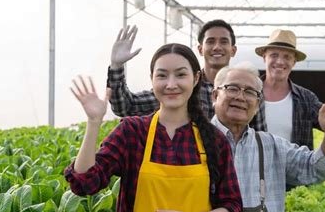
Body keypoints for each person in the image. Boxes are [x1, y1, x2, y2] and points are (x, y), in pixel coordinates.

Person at [65, 43, 242, 212]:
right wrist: (94, 122)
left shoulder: (213, 139)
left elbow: (232, 208)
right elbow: (85, 182)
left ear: (195, 79)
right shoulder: (133, 132)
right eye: (162, 76)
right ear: (152, 80)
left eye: (180, 75)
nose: (171, 84)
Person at [211, 62, 325, 212]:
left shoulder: (271, 145)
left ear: (257, 106)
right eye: (232, 88)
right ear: (215, 95)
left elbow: (316, 169)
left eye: (250, 92)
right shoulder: (193, 141)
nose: (241, 97)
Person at [106, 20, 267, 131]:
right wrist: (116, 66)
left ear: (233, 50)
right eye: (210, 41)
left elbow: (259, 135)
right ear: (200, 49)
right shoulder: (183, 88)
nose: (217, 47)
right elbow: (125, 106)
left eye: (223, 42)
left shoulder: (247, 91)